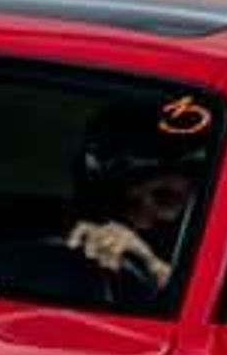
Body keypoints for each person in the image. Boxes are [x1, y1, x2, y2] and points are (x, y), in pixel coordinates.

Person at [65, 98, 209, 291]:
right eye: (128, 204)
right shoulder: (75, 230)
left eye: (165, 198)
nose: (142, 223)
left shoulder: (221, 249)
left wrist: (152, 264)